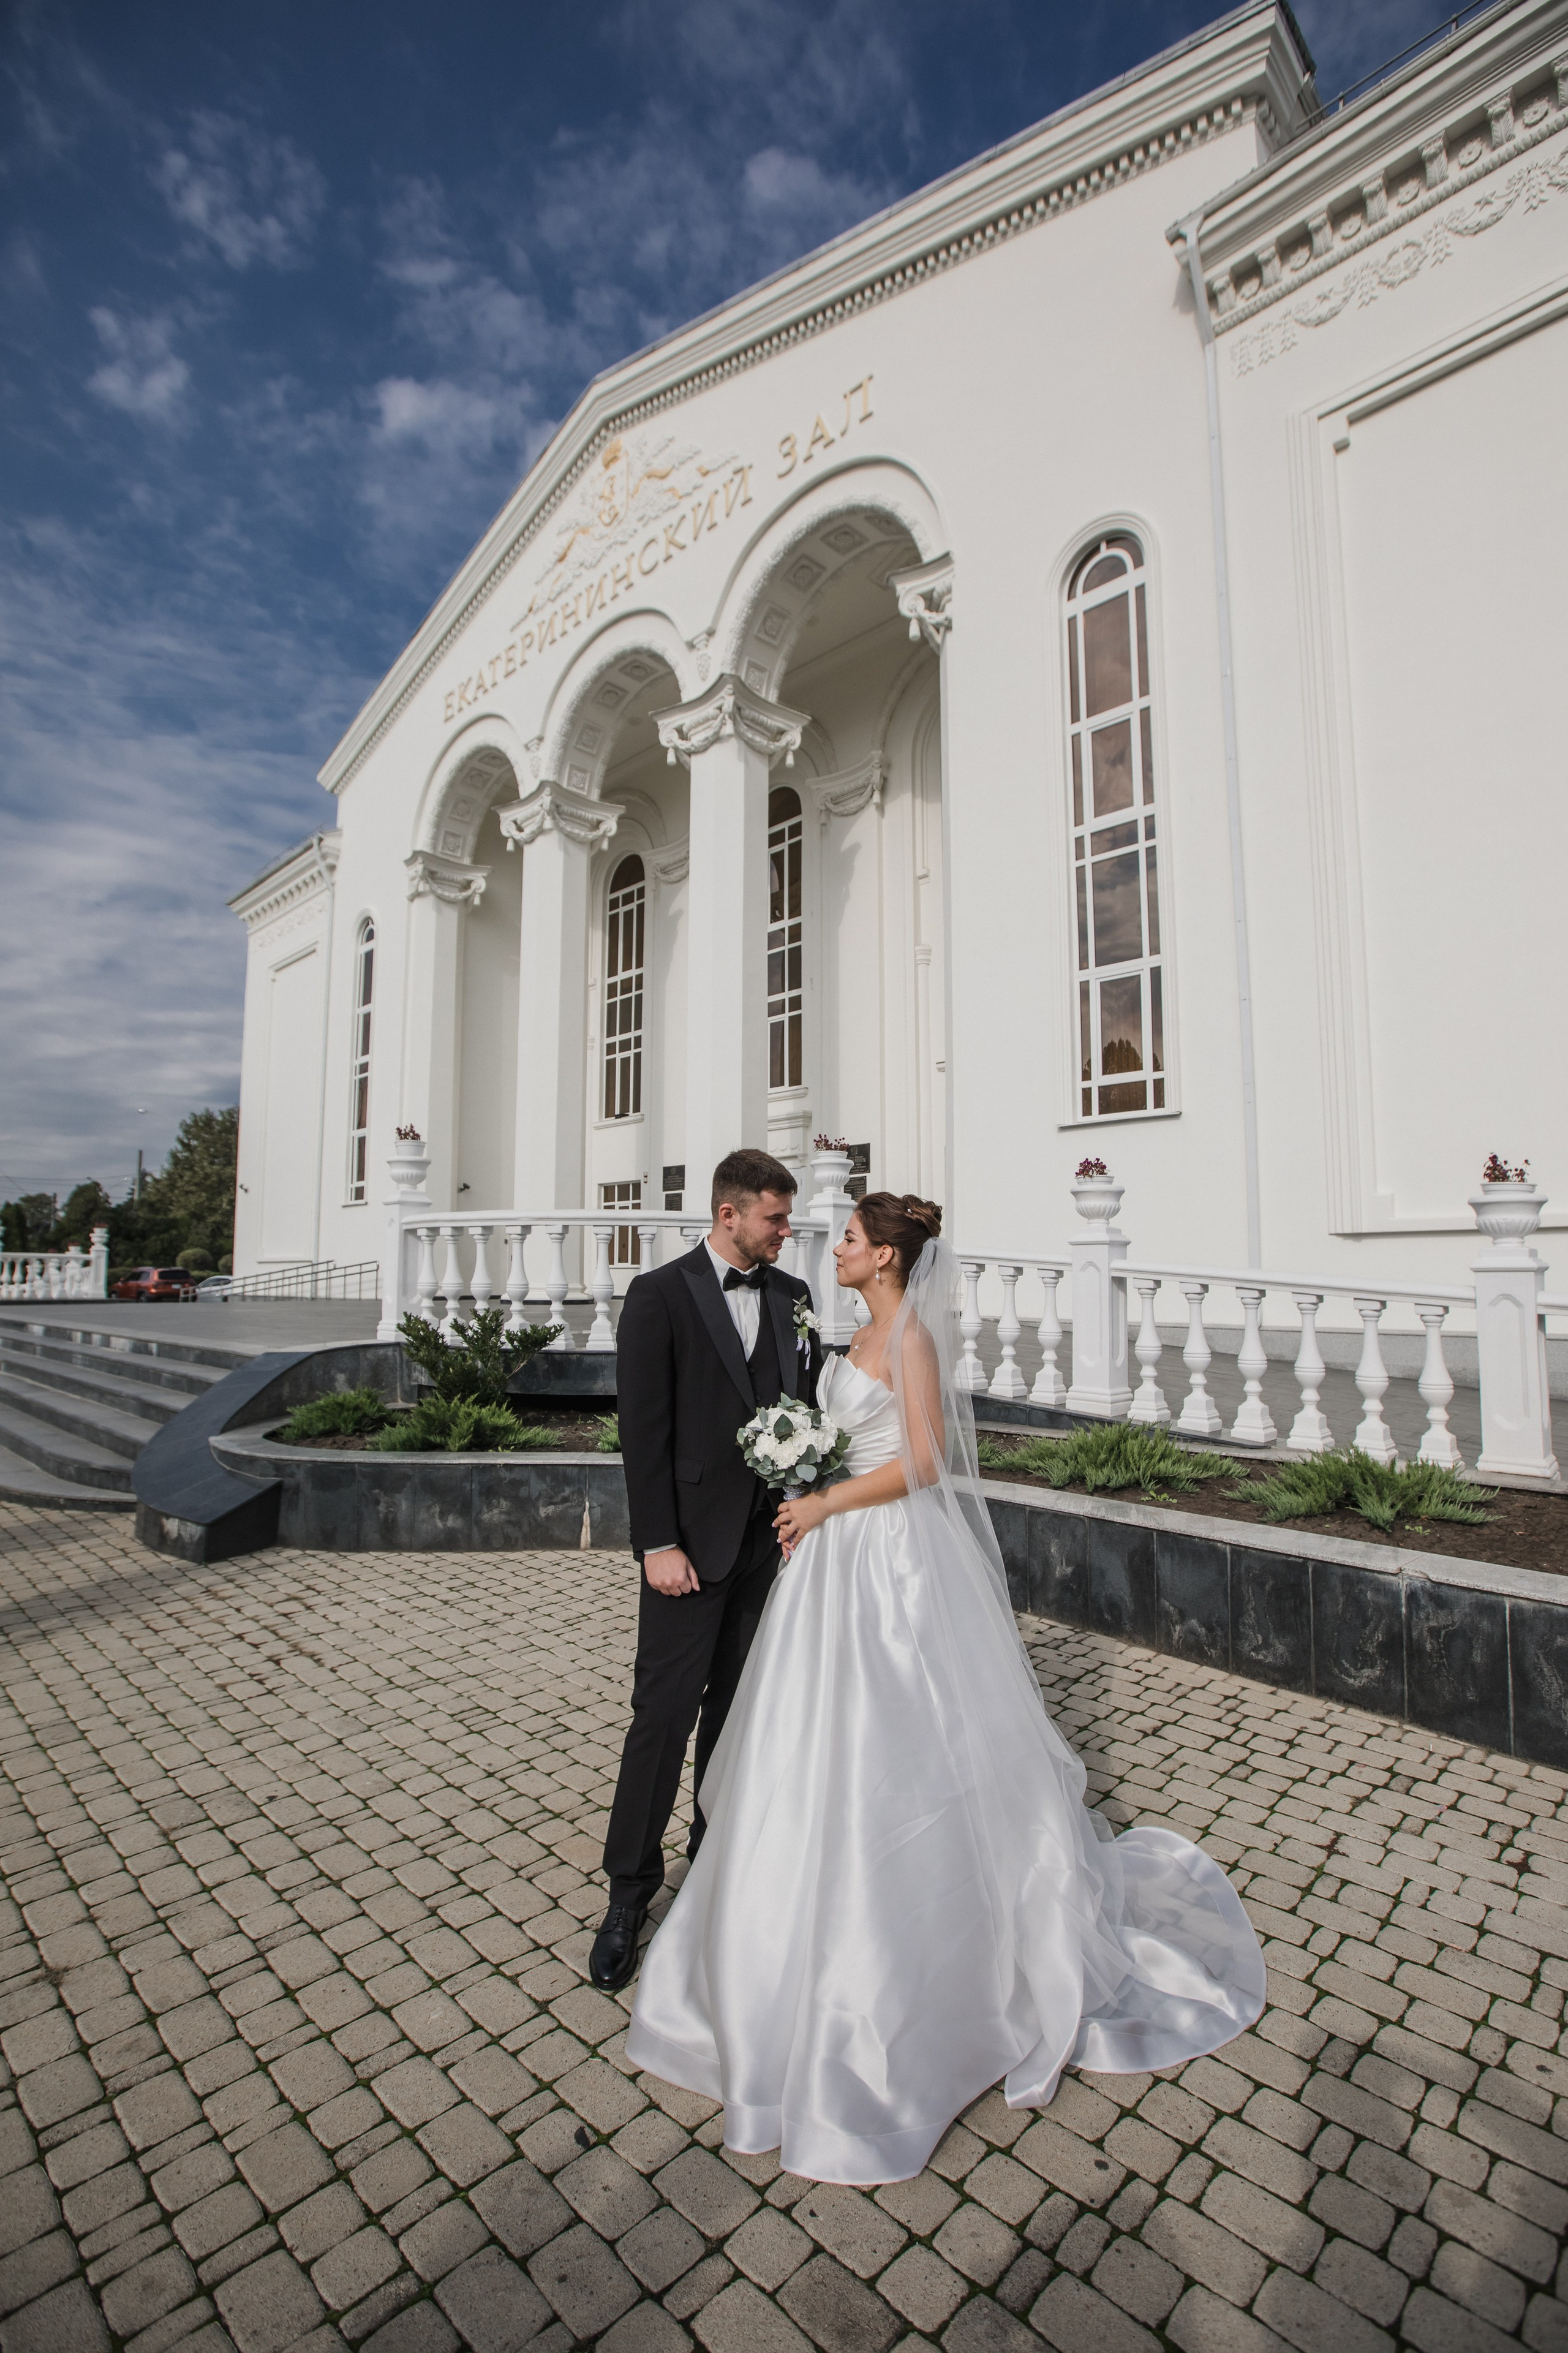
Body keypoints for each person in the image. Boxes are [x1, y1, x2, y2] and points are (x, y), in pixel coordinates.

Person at [625, 1190, 1267, 2185]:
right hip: (830, 1555)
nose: (831, 1248)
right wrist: (804, 1474)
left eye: (846, 1238)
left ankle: (922, 1956)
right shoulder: (858, 1326)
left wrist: (828, 1494)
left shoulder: (911, 1338)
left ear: (885, 1257)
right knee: (806, 1743)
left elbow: (924, 1459)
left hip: (886, 1560)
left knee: (897, 1743)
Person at [589, 1147, 824, 1993]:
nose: (786, 1232)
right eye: (775, 1217)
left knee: (741, 1714)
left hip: (772, 1545)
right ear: (730, 1215)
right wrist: (657, 1542)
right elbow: (642, 1435)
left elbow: (806, 1408)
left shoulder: (795, 1299)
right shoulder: (658, 1297)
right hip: (687, 1550)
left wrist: (808, 1502)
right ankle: (628, 1893)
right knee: (662, 1717)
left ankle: (716, 1862)